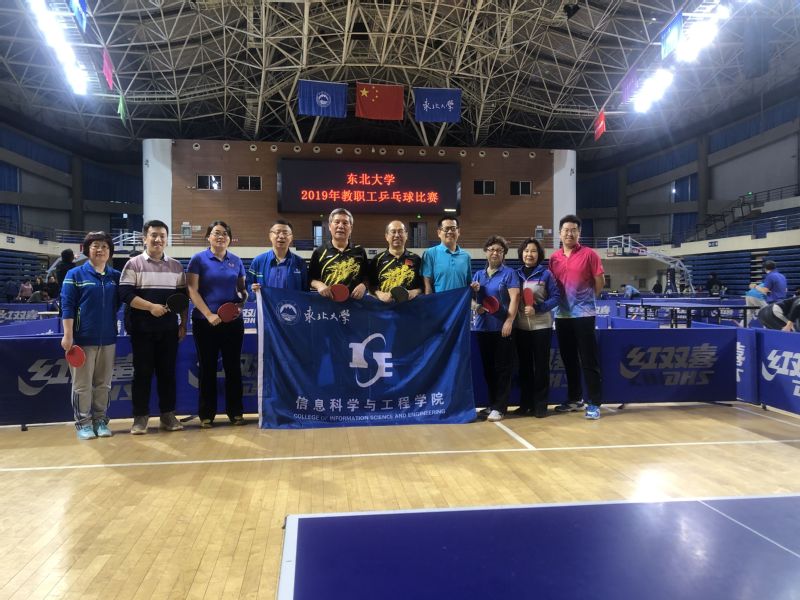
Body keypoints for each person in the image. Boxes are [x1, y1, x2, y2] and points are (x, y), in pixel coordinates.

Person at [119, 220, 188, 435]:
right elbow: (125, 294)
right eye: (154, 235)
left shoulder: (176, 266)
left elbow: (182, 299)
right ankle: (140, 418)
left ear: (167, 239)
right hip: (142, 330)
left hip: (168, 330)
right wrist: (151, 307)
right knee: (142, 374)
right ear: (144, 238)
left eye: (162, 236)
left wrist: (183, 324)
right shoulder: (133, 264)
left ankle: (167, 415)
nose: (158, 239)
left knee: (168, 374)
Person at [60, 232, 121, 440]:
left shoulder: (115, 276)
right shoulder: (75, 274)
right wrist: (68, 335)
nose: (100, 250)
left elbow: (118, 304)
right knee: (82, 385)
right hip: (82, 340)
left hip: (108, 339)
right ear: (87, 250)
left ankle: (100, 420)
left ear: (110, 251)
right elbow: (67, 306)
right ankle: (83, 423)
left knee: (104, 384)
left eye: (104, 246)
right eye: (95, 246)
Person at [187, 221, 248, 428]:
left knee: (233, 367)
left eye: (225, 234)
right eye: (216, 233)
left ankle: (236, 412)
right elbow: (192, 290)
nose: (221, 237)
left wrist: (242, 301)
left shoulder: (236, 261)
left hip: (232, 323)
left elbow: (242, 290)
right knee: (207, 367)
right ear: (208, 237)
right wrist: (208, 314)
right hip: (205, 323)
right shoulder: (198, 259)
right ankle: (207, 414)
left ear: (230, 238)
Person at [549, 214, 605, 420]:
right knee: (569, 359)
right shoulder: (554, 258)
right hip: (562, 316)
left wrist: (587, 302)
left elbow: (600, 281)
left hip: (584, 315)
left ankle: (594, 403)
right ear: (560, 233)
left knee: (588, 360)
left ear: (579, 233)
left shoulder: (590, 254)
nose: (569, 233)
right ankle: (575, 399)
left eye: (574, 230)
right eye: (566, 230)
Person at [470, 235, 519, 422]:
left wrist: (509, 321)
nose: (495, 253)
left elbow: (515, 298)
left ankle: (500, 407)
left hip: (502, 328)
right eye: (491, 249)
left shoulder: (509, 274)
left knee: (503, 369)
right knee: (488, 369)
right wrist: (476, 304)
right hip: (483, 328)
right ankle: (492, 404)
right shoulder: (478, 275)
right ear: (486, 252)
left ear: (504, 253)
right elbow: (471, 299)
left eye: (499, 250)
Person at [514, 237, 559, 418]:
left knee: (541, 367)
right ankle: (525, 404)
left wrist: (538, 308)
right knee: (524, 367)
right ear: (521, 254)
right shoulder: (515, 274)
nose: (529, 254)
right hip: (521, 327)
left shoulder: (546, 274)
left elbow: (556, 297)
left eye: (533, 251)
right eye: (526, 251)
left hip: (541, 326)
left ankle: (541, 405)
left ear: (539, 254)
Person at [309, 208, 368, 299]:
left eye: (345, 223)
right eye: (337, 222)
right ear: (330, 226)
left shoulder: (360, 251)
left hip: (355, 303)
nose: (340, 226)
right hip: (328, 303)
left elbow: (367, 277)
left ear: (351, 228)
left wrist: (363, 285)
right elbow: (310, 278)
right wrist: (319, 284)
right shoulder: (319, 252)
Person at [247, 220, 308, 295]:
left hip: (291, 302)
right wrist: (251, 288)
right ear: (270, 236)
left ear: (291, 237)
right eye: (277, 232)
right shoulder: (258, 261)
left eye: (285, 233)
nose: (281, 236)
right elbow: (248, 285)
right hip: (266, 303)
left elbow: (305, 291)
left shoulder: (300, 262)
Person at [370, 221, 423, 302]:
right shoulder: (377, 260)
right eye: (393, 232)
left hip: (411, 307)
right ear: (386, 236)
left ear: (406, 235)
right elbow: (371, 285)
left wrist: (415, 292)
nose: (397, 235)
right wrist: (380, 294)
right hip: (385, 308)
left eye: (400, 231)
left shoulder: (416, 259)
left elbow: (423, 285)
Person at [421, 217, 471, 294]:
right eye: (446, 229)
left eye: (453, 228)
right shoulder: (430, 253)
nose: (450, 232)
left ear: (458, 232)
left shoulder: (466, 256)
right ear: (439, 233)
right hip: (440, 301)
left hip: (461, 301)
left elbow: (468, 283)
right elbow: (427, 285)